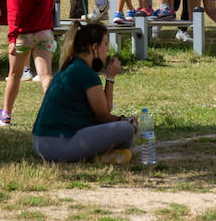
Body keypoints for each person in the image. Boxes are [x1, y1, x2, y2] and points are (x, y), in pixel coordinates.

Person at [31, 21, 137, 163]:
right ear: (94, 47)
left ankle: (103, 154)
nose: (108, 50)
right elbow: (103, 115)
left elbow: (102, 112)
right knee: (126, 129)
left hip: (42, 144)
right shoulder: (86, 73)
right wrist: (125, 120)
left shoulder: (71, 66)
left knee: (118, 127)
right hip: (58, 146)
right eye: (105, 44)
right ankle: (101, 156)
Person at [0, 0, 55, 126]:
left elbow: (14, 15)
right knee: (46, 76)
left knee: (15, 75)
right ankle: (55, 113)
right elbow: (50, 6)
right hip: (44, 33)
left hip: (22, 35)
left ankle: (6, 114)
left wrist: (12, 38)